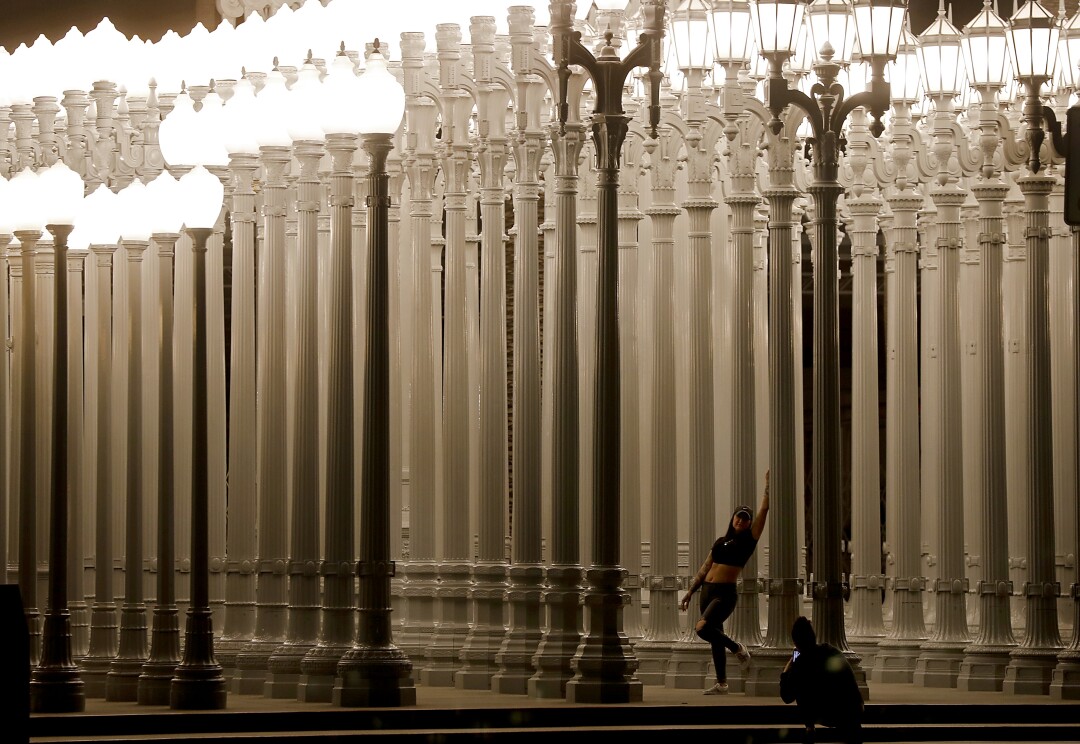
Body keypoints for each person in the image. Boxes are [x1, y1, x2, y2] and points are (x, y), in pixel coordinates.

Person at [679, 470, 769, 695]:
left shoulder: (748, 541)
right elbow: (705, 567)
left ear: (749, 524)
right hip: (707, 591)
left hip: (724, 594)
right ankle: (722, 683)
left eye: (745, 519)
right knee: (714, 638)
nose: (741, 520)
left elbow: (764, 510)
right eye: (739, 516)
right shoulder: (721, 542)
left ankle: (738, 649)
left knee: (702, 627)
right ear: (733, 518)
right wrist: (690, 591)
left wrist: (767, 487)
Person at [779, 616, 865, 744]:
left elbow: (786, 696)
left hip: (829, 713)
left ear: (796, 643)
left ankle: (809, 727)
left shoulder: (801, 662)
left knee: (801, 687)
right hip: (853, 710)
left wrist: (787, 670)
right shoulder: (832, 651)